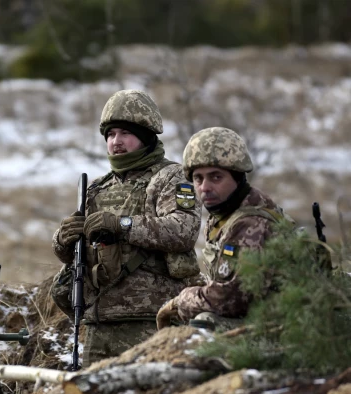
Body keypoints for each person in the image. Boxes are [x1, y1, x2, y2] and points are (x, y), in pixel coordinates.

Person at [52, 90, 202, 367]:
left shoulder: (171, 177)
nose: (116, 142)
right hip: (100, 319)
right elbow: (76, 254)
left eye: (124, 133)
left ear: (145, 136)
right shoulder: (97, 187)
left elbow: (183, 230)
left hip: (153, 319)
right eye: (110, 135)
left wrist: (122, 225)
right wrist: (63, 240)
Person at [156, 126, 291, 331]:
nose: (204, 187)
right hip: (268, 320)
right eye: (198, 178)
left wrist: (181, 301)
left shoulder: (250, 223)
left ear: (237, 177)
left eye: (216, 177)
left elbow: (228, 299)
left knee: (204, 323)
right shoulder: (225, 215)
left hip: (282, 329)